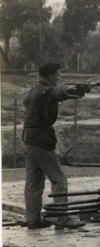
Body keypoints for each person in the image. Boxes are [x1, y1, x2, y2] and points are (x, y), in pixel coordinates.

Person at [21, 62, 90, 229]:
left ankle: (33, 220)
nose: (60, 77)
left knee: (34, 182)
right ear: (51, 76)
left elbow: (57, 93)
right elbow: (59, 92)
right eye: (58, 74)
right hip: (40, 140)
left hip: (28, 139)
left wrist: (72, 91)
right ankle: (62, 219)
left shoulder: (34, 90)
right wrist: (74, 90)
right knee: (59, 179)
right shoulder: (47, 90)